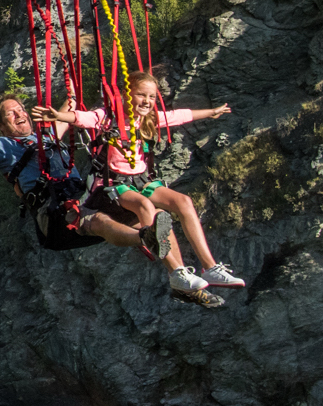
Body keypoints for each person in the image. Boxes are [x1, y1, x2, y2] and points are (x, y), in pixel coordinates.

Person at [0, 93, 225, 305]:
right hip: (55, 215)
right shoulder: (1, 147)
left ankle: (180, 277)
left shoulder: (47, 134)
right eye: (10, 114)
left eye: (20, 110)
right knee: (99, 221)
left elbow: (68, 112)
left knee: (141, 206)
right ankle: (145, 239)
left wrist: (69, 82)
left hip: (83, 197)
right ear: (2, 125)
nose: (18, 115)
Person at [35, 70, 244, 292]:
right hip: (113, 186)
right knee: (145, 206)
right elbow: (83, 118)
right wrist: (59, 117)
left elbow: (179, 115)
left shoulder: (148, 120)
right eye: (141, 95)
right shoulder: (108, 118)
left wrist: (211, 112)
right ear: (127, 95)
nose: (147, 101)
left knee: (183, 201)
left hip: (141, 181)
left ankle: (210, 267)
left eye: (152, 97)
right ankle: (176, 272)